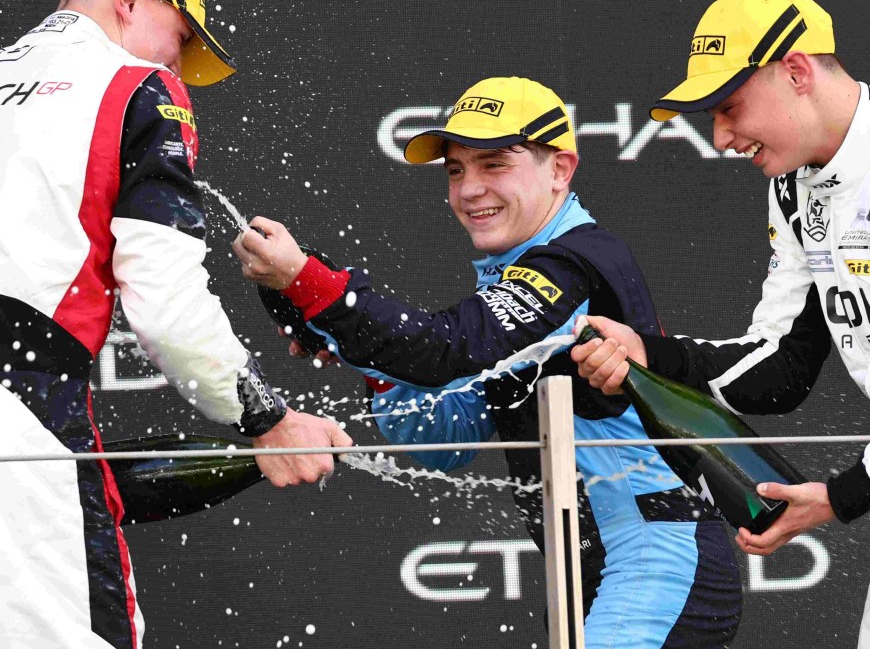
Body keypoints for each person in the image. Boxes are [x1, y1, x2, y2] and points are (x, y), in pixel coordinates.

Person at [233, 77, 742, 647]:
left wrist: (314, 284)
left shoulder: (575, 263)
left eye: (494, 163)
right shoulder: (518, 275)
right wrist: (366, 357)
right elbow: (444, 442)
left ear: (561, 169)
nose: (469, 189)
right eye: (455, 170)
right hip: (592, 576)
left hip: (657, 561)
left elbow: (448, 347)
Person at [0, 0, 351, 649]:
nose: (179, 58)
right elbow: (165, 304)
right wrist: (266, 418)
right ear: (130, 0)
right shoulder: (135, 87)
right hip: (20, 413)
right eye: (181, 34)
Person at [569, 0, 870, 644]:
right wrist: (652, 357)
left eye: (731, 106)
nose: (722, 136)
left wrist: (845, 493)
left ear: (796, 70)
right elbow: (782, 367)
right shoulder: (796, 186)